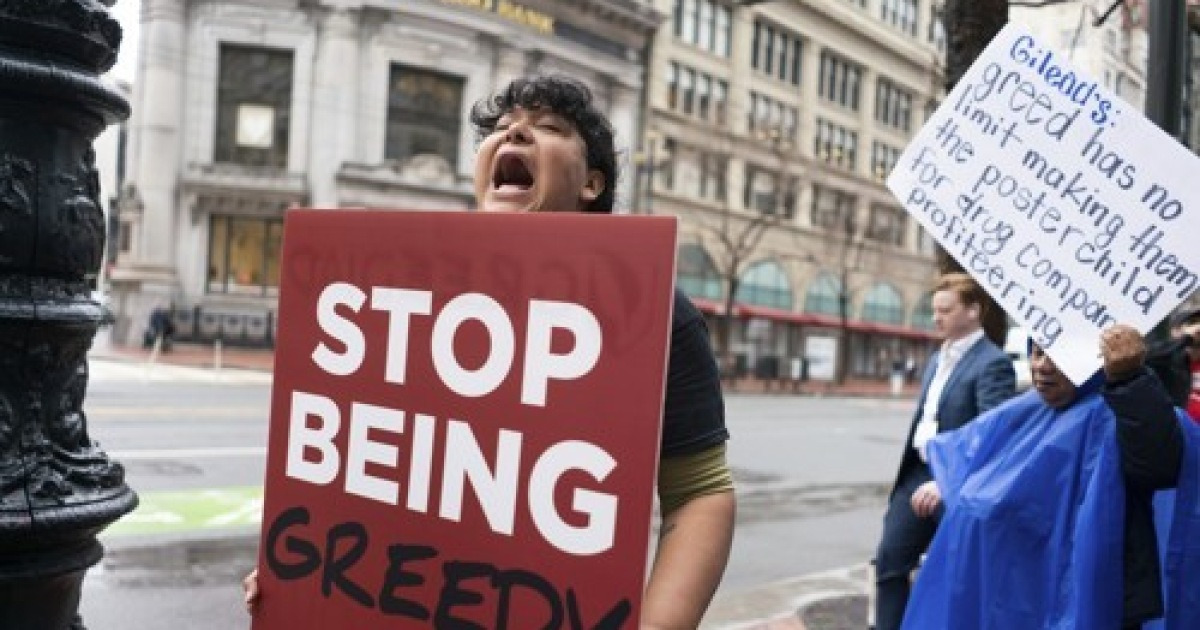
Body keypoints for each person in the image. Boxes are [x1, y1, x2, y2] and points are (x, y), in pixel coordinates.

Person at [243, 76, 736, 628]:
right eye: (501, 129)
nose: (516, 132)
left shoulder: (653, 309)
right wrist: (296, 575)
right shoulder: (402, 291)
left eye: (548, 128)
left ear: (592, 183)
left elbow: (699, 494)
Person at [902, 325, 1200, 629]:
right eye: (1038, 351)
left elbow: (1158, 463)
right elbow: (976, 450)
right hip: (1013, 594)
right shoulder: (1027, 409)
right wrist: (949, 480)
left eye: (1060, 355)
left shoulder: (1122, 410)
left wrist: (1130, 380)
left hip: (1097, 598)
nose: (1042, 365)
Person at [873, 272, 1017, 630]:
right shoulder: (938, 359)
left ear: (973, 310)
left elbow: (992, 433)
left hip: (955, 482)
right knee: (889, 562)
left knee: (956, 578)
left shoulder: (993, 362)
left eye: (945, 310)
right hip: (917, 475)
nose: (936, 318)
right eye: (934, 310)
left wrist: (947, 481)